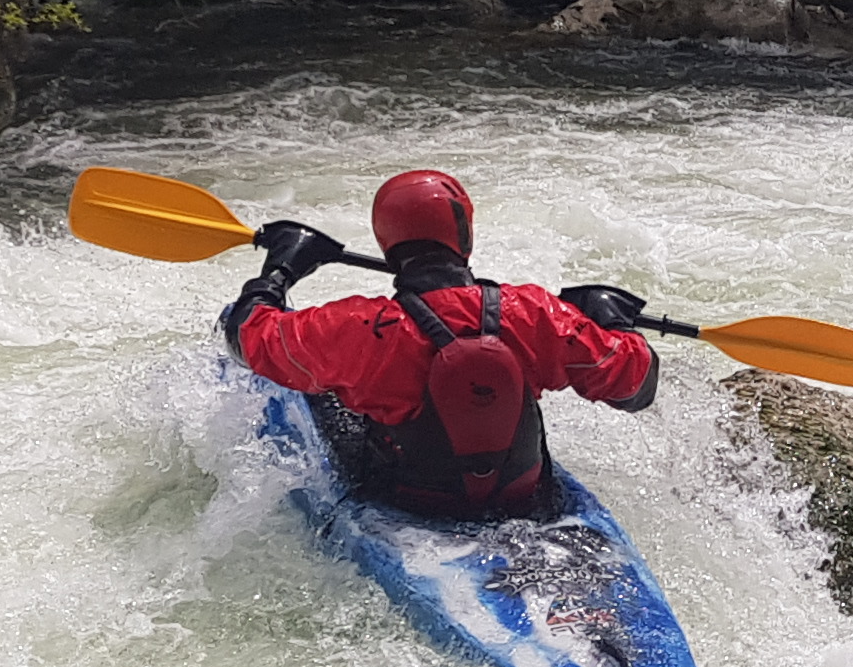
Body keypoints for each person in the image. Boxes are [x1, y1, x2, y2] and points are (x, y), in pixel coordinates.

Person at [221, 168, 659, 520]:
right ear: (463, 235)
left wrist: (278, 272)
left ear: (386, 241)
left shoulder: (359, 327)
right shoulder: (534, 313)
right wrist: (611, 321)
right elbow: (637, 386)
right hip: (521, 503)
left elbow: (247, 336)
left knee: (322, 389)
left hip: (411, 505)